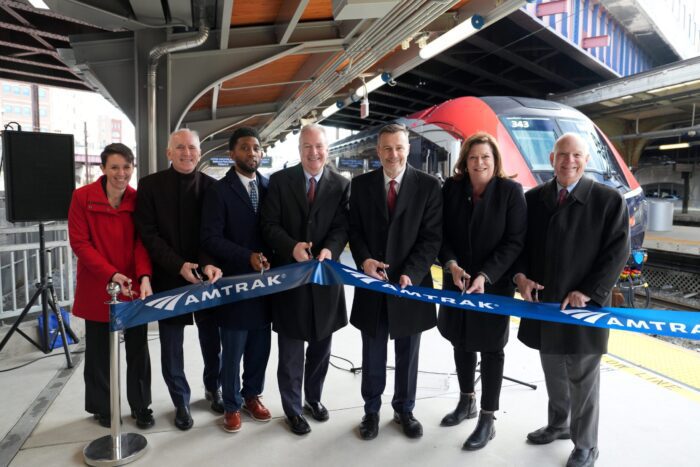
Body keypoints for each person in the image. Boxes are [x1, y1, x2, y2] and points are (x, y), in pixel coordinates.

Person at [514, 133, 630, 467]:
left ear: (586, 159)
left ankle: (586, 446)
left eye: (577, 155)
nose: (569, 161)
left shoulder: (608, 201)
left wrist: (590, 291)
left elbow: (617, 253)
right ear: (552, 158)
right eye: (563, 155)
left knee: (583, 377)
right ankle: (558, 424)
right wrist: (520, 277)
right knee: (552, 368)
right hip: (545, 305)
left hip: (584, 308)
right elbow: (519, 246)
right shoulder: (534, 199)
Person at [348, 123, 442, 440]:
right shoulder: (360, 186)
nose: (393, 154)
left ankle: (405, 410)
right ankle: (371, 411)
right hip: (374, 284)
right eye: (387, 148)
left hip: (409, 285)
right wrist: (364, 261)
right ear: (378, 151)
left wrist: (412, 273)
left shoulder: (429, 186)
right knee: (372, 353)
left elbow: (431, 239)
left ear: (407, 148)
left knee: (408, 353)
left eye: (399, 147)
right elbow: (354, 231)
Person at [438, 132, 526, 450]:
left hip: (494, 286)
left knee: (491, 349)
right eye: (473, 157)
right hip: (458, 282)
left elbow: (515, 241)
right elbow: (441, 233)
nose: (479, 163)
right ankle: (466, 401)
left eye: (486, 157)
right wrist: (451, 264)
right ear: (465, 161)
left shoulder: (511, 192)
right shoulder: (452, 189)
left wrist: (486, 276)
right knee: (460, 340)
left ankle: (487, 419)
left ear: (495, 160)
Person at [260, 123, 350, 436]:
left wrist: (329, 249)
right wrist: (291, 247)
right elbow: (268, 224)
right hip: (291, 281)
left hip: (326, 280)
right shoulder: (281, 181)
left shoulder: (341, 184)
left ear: (327, 149)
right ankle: (293, 408)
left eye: (319, 146)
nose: (314, 152)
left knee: (322, 347)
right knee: (291, 351)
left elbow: (342, 227)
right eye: (307, 147)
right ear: (299, 150)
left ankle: (313, 398)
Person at [134, 129, 223, 431]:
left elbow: (214, 234)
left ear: (200, 153)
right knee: (171, 346)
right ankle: (180, 401)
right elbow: (149, 235)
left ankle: (214, 387)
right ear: (168, 153)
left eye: (193, 148)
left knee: (212, 340)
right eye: (180, 148)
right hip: (168, 278)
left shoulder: (213, 188)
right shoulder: (149, 187)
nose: (187, 153)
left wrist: (206, 265)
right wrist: (178, 266)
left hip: (205, 278)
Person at [68, 143, 154, 429]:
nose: (121, 173)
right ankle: (102, 407)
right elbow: (80, 243)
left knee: (138, 349)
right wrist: (110, 273)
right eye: (115, 167)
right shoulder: (82, 198)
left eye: (127, 167)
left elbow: (141, 242)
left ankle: (141, 406)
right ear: (103, 168)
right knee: (99, 352)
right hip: (98, 285)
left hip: (131, 288)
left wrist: (143, 275)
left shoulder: (136, 199)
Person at [200, 127, 272, 433]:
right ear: (232, 154)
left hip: (266, 285)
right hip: (233, 284)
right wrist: (247, 256)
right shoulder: (218, 191)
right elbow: (211, 238)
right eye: (245, 148)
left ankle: (251, 395)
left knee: (260, 345)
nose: (252, 153)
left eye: (256, 148)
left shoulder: (269, 187)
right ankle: (230, 405)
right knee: (233, 348)